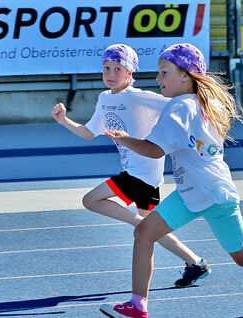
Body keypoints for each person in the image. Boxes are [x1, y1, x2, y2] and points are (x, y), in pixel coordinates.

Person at [100, 43, 243, 318]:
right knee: (146, 233)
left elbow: (155, 149)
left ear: (185, 76)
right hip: (193, 193)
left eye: (164, 72)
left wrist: (126, 139)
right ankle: (138, 305)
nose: (158, 79)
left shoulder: (181, 106)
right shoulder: (195, 102)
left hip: (211, 193)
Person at [51, 44, 211, 288]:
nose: (111, 74)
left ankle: (140, 224)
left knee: (91, 200)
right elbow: (88, 133)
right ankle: (195, 262)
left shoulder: (137, 96)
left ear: (130, 73)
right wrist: (64, 120)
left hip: (143, 173)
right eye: (106, 68)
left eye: (118, 68)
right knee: (154, 230)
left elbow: (177, 103)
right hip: (136, 173)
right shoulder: (104, 99)